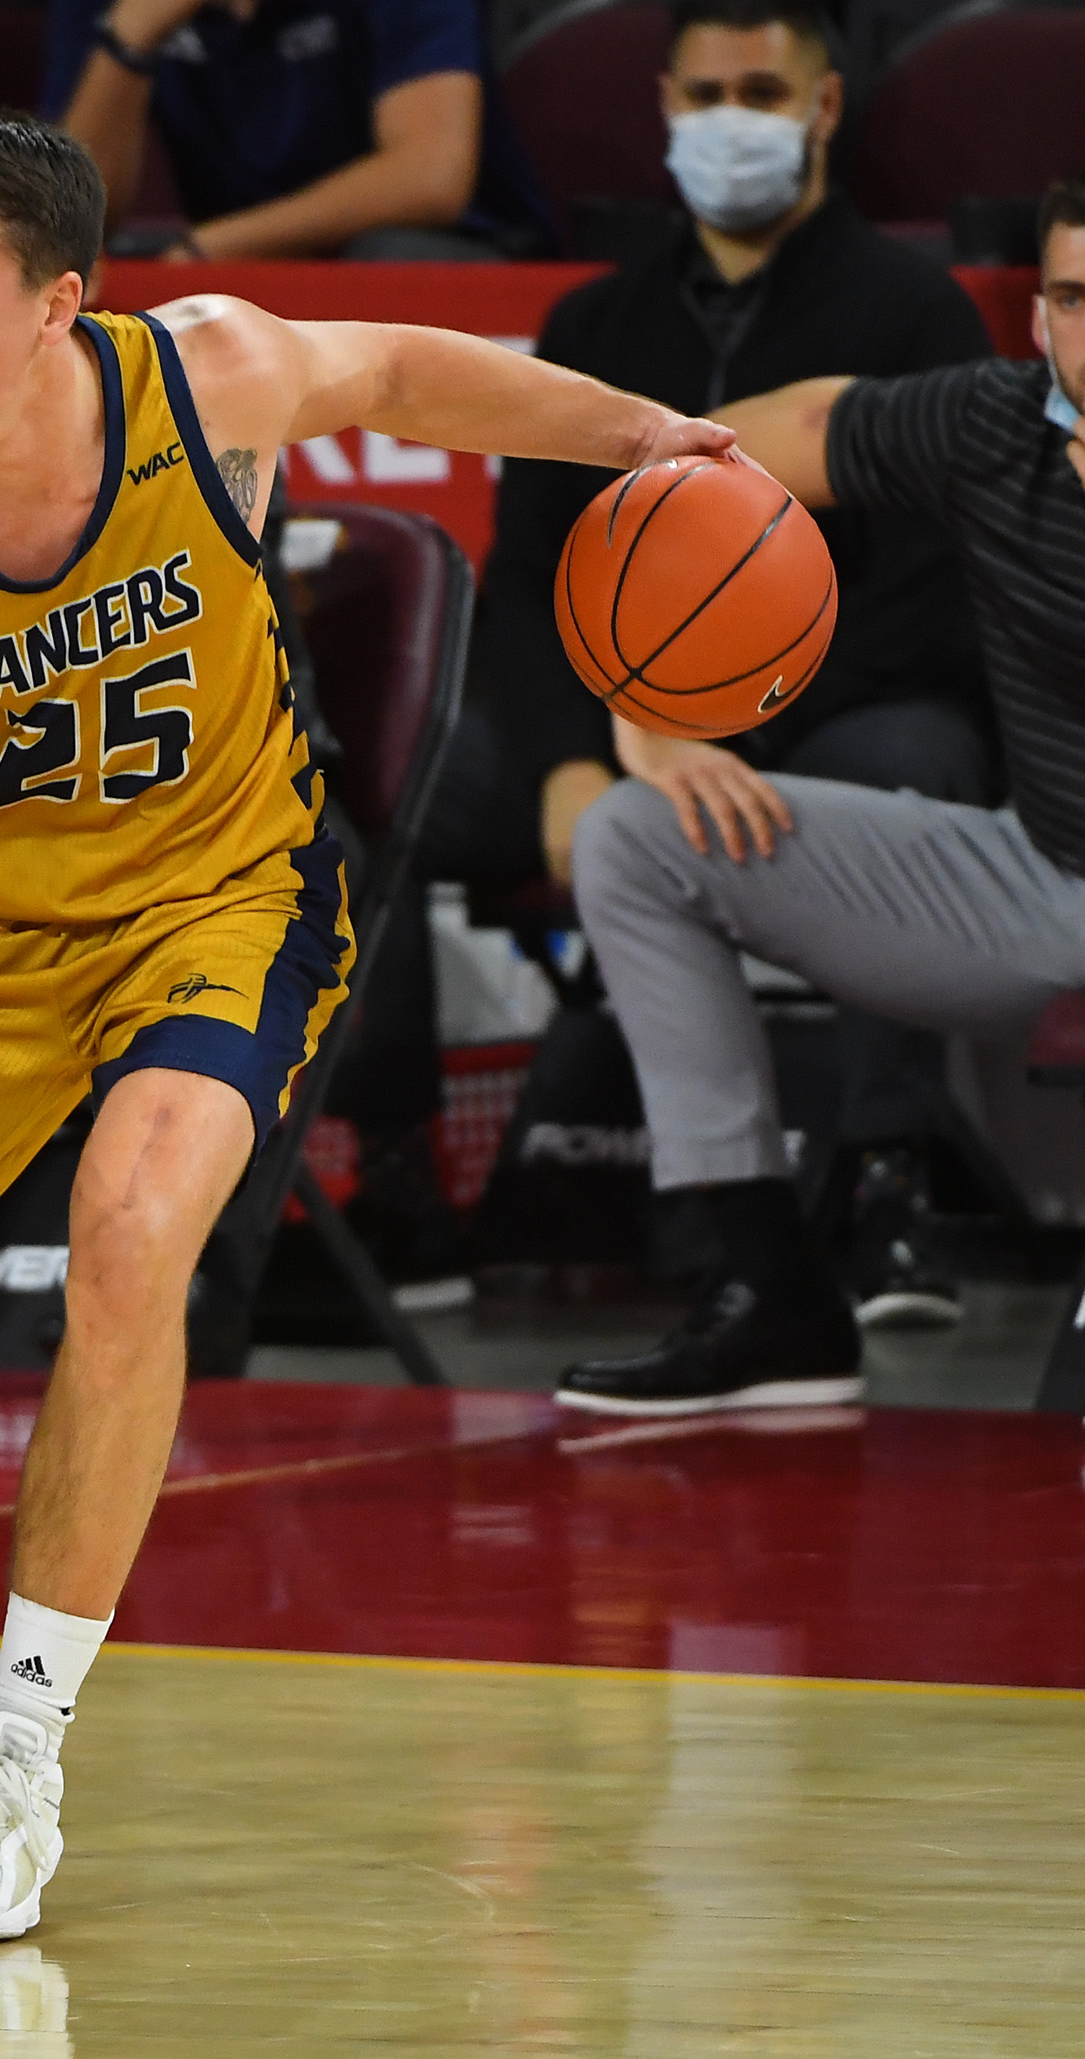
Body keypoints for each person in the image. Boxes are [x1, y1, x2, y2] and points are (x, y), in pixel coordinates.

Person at [0, 112, 730, 1938]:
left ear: (62, 304)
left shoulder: (211, 381)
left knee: (129, 1242)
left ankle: (15, 1758)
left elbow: (420, 372)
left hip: (233, 896)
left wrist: (646, 434)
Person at [347, 0, 997, 1314]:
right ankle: (395, 1171)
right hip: (620, 718)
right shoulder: (592, 321)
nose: (728, 122)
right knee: (383, 776)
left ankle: (888, 1186)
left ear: (821, 111)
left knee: (914, 761)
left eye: (761, 91)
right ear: (663, 106)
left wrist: (718, 722)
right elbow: (527, 578)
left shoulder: (915, 311)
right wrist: (584, 756)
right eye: (703, 96)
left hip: (832, 712)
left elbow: (933, 597)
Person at [553, 178, 1085, 1417]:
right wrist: (648, 713)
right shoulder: (990, 424)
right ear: (1040, 317)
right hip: (1044, 874)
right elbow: (723, 450)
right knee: (634, 838)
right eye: (1071, 295)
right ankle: (769, 1291)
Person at [45, 0, 550, 259]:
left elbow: (429, 177)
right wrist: (128, 40)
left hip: (454, 259)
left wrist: (216, 247)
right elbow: (72, 215)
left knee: (387, 255)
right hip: (245, 263)